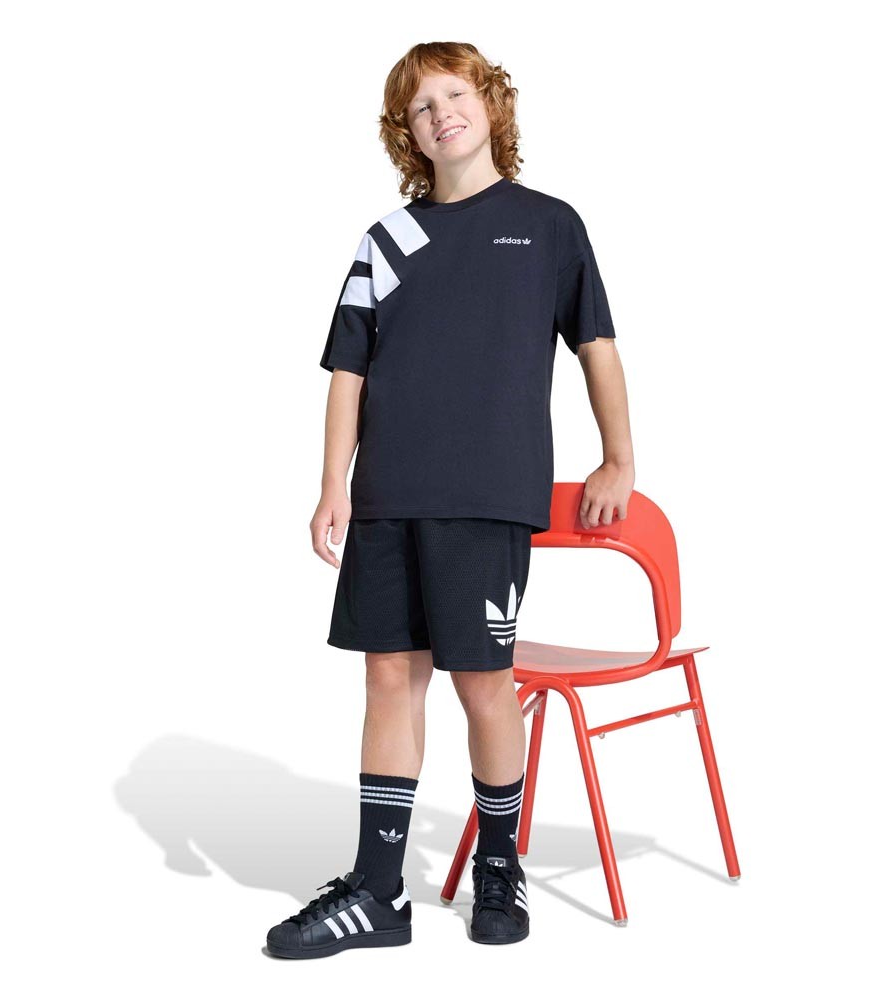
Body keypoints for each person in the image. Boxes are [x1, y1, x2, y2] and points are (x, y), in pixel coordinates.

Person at [266, 41, 634, 960]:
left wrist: (618, 458)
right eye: (421, 107)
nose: (441, 115)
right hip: (388, 494)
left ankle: (499, 867)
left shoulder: (549, 226)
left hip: (487, 495)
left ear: (491, 103)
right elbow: (348, 370)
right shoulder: (386, 240)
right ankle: (378, 891)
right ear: (408, 133)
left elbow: (596, 347)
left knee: (483, 681)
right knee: (388, 676)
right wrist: (333, 484)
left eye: (454, 94)